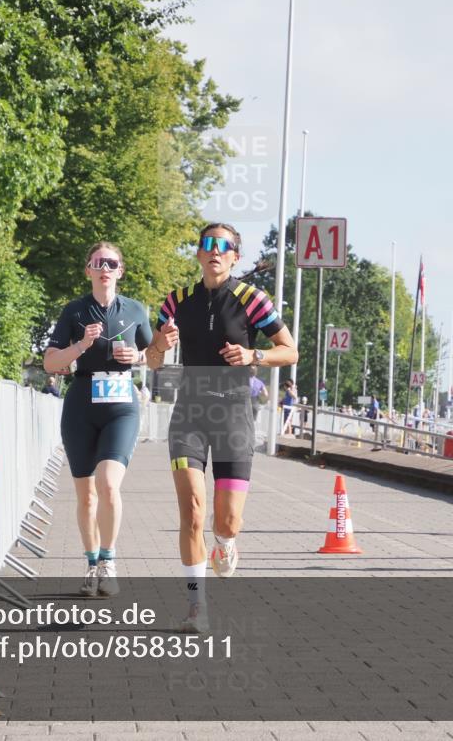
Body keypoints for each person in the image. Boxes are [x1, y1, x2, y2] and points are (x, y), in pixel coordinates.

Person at [146, 222, 298, 632]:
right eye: (207, 244)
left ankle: (226, 544)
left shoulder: (252, 299)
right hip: (189, 415)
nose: (214, 251)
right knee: (193, 512)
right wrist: (161, 342)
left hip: (233, 415)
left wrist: (254, 355)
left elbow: (291, 350)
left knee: (225, 521)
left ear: (234, 256)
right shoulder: (176, 301)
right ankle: (197, 607)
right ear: (198, 254)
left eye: (224, 246)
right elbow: (152, 361)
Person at [44, 243, 152, 596]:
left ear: (120, 271)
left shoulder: (135, 310)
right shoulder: (74, 311)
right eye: (97, 262)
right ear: (88, 270)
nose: (104, 267)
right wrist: (80, 347)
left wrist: (137, 356)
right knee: (87, 496)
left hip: (121, 404)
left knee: (108, 483)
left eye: (112, 263)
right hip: (81, 404)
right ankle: (91, 564)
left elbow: (157, 357)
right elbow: (50, 363)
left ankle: (109, 560)